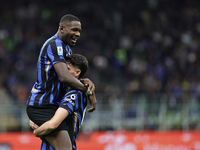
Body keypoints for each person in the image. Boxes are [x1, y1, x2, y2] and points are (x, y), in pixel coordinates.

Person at [26, 14, 96, 150]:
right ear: (62, 28)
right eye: (74, 30)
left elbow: (67, 77)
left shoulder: (67, 49)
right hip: (43, 106)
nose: (78, 34)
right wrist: (88, 91)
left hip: (51, 106)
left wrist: (84, 81)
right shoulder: (54, 45)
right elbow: (64, 76)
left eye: (79, 31)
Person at [32, 54, 96, 150]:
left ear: (77, 72)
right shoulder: (60, 89)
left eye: (68, 69)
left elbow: (53, 124)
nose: (62, 72)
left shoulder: (75, 94)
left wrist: (37, 132)